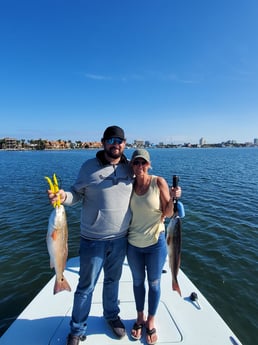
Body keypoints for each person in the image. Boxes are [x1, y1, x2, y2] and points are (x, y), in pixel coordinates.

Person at [47, 126, 134, 345]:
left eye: (120, 140)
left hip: (120, 238)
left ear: (125, 144)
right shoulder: (89, 167)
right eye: (112, 140)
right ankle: (77, 329)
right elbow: (76, 193)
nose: (116, 144)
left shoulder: (130, 168)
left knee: (113, 281)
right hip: (93, 239)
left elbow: (144, 188)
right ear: (104, 142)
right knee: (86, 287)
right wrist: (62, 196)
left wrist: (169, 196)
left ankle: (112, 316)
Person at [127, 149, 181, 345]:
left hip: (155, 243)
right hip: (132, 244)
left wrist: (174, 198)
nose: (140, 166)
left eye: (143, 163)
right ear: (131, 166)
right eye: (136, 163)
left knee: (154, 284)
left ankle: (150, 320)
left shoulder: (158, 182)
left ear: (149, 165)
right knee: (137, 283)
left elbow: (167, 212)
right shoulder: (129, 185)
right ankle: (139, 317)